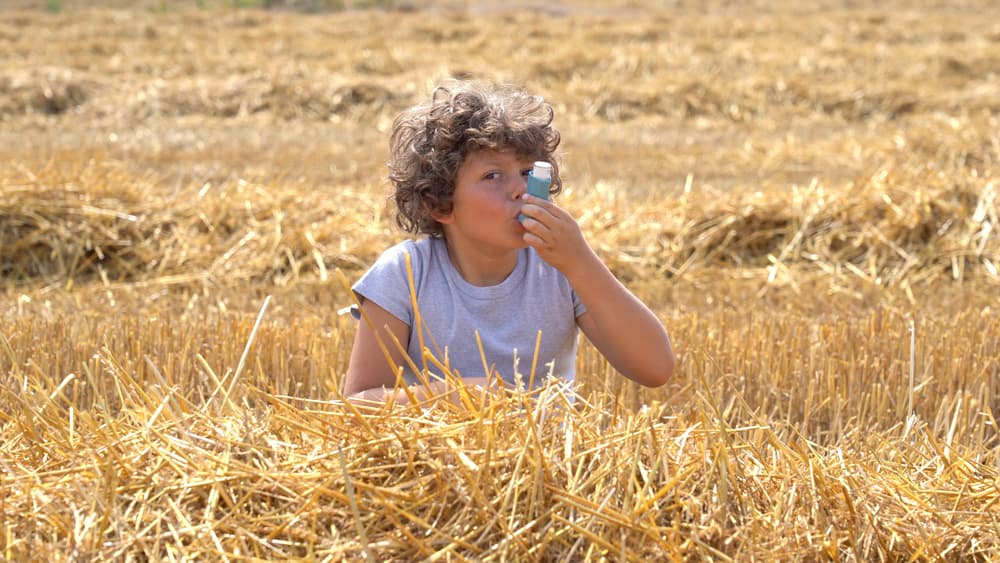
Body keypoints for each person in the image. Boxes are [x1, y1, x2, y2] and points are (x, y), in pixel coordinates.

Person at [343, 79, 673, 405]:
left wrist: (582, 263)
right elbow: (355, 404)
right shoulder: (405, 274)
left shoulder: (561, 267)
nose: (520, 189)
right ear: (440, 204)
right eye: (493, 176)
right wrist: (452, 397)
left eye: (529, 172)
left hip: (551, 455)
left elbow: (655, 369)